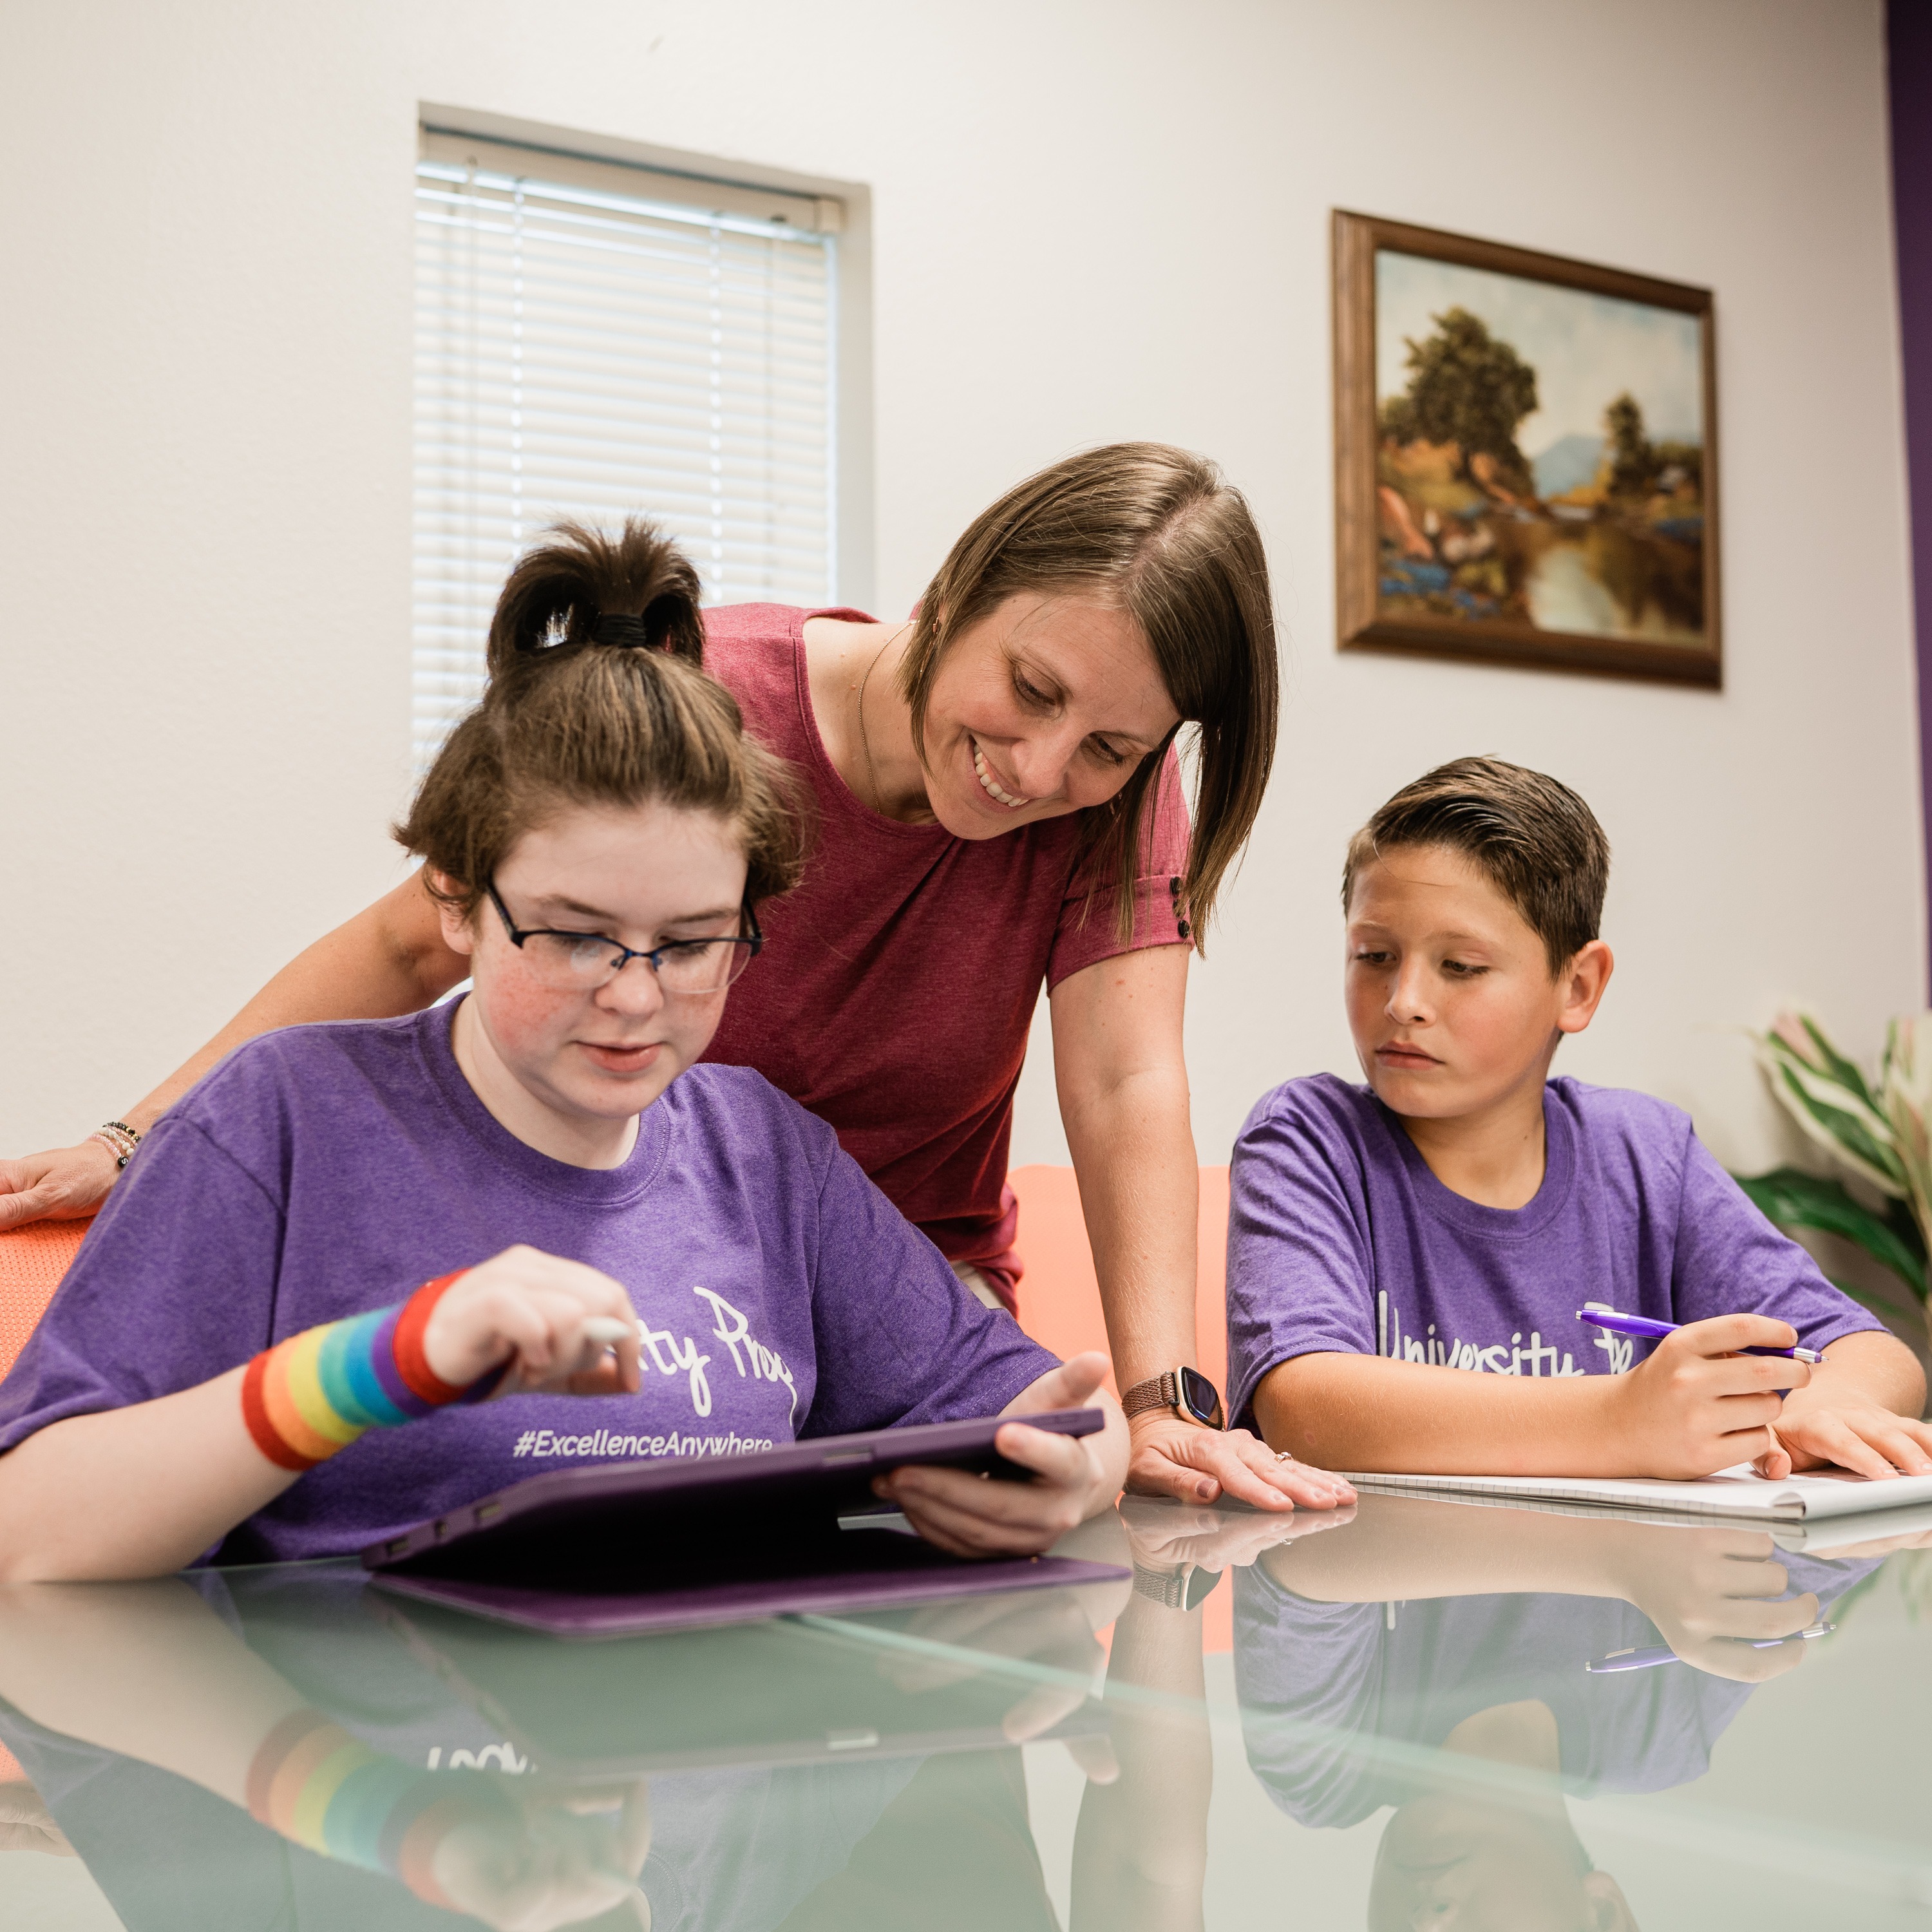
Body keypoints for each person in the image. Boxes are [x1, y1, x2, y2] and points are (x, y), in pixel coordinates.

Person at [0, 446, 1350, 1516]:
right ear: (957, 590)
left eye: (1111, 745)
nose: (1045, 774)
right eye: (1030, 689)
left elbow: (1127, 1083)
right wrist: (147, 1131)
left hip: (881, 1296)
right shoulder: (696, 711)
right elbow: (415, 934)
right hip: (625, 1269)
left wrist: (1153, 1411)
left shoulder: (784, 1149)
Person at [1226, 756, 1932, 1480]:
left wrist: (1822, 1404)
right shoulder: (1308, 1138)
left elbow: (1876, 1356)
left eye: (1461, 966)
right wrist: (1622, 1421)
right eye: (1373, 954)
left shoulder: (1646, 1153)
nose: (1403, 999)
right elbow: (1304, 1408)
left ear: (1580, 985)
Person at [1231, 1492, 1899, 1932]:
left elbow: (1297, 1539)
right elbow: (1854, 1514)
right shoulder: (1662, 1728)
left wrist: (1620, 1555)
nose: (1426, 1923)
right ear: (1603, 1916)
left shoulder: (1322, 1767)